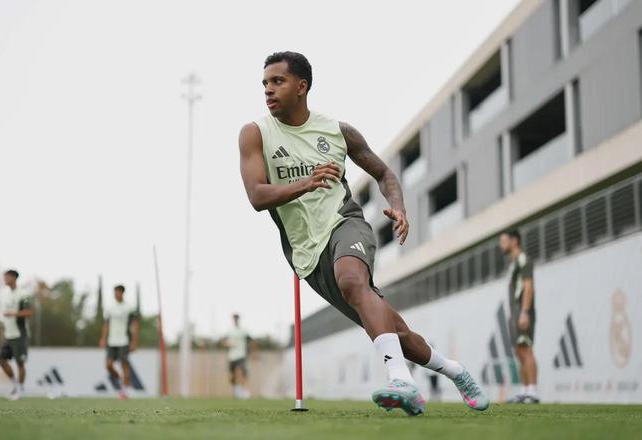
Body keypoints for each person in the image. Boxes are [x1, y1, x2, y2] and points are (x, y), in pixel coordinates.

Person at [239, 51, 489, 415]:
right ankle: (455, 371)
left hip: (345, 223)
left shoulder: (338, 131)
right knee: (396, 332)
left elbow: (384, 174)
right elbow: (257, 196)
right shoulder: (255, 133)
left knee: (352, 280)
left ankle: (401, 382)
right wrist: (307, 183)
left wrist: (398, 207)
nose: (268, 89)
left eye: (278, 81)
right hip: (306, 253)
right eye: (265, 83)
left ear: (302, 86)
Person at [499, 230, 539, 404]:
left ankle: (533, 391)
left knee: (526, 349)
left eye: (504, 241)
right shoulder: (513, 262)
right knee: (518, 351)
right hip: (515, 313)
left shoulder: (523, 259)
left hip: (523, 311)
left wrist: (524, 311)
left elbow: (529, 286)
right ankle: (524, 391)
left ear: (514, 241)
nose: (501, 244)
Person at [0, 269, 33, 400]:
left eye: (7, 277)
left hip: (19, 334)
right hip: (8, 334)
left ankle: (21, 389)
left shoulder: (23, 294)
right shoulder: (4, 294)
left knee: (20, 363)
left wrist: (13, 314)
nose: (5, 279)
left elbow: (29, 312)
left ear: (14, 278)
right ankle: (15, 385)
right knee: (1, 360)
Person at [99, 284, 139, 399]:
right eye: (115, 292)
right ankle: (120, 379)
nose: (116, 294)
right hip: (112, 341)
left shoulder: (129, 307)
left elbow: (135, 324)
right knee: (108, 365)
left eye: (118, 292)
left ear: (122, 293)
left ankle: (124, 391)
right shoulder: (109, 307)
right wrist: (103, 338)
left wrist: (134, 341)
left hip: (124, 340)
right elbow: (106, 324)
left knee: (124, 364)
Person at [223, 313, 254, 399]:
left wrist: (252, 353)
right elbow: (224, 342)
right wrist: (229, 344)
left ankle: (244, 391)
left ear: (238, 319)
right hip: (231, 356)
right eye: (234, 318)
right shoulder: (229, 331)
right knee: (231, 377)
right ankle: (236, 389)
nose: (235, 320)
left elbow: (251, 341)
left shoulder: (243, 331)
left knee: (240, 372)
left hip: (241, 355)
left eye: (237, 318)